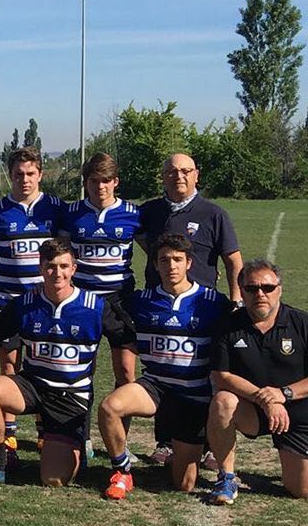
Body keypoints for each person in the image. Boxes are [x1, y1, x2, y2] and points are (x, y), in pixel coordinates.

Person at [0, 240, 123, 488]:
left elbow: (127, 339)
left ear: (74, 269)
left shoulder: (95, 306)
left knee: (53, 479)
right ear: (41, 268)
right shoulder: (25, 304)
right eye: (50, 266)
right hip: (33, 386)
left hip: (70, 396)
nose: (57, 273)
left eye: (64, 266)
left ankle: (75, 447)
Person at [96, 234, 231, 499]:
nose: (171, 266)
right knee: (110, 407)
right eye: (164, 260)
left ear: (189, 263)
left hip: (193, 395)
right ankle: (122, 471)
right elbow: (104, 311)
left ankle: (184, 453)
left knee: (185, 484)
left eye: (177, 259)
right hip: (155, 386)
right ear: (156, 265)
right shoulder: (141, 300)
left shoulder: (213, 302)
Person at [138, 152, 245, 466]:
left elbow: (233, 260)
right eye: (172, 171)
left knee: (205, 374)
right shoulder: (150, 211)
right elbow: (141, 241)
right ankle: (165, 442)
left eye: (186, 171)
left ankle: (211, 443)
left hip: (203, 309)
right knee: (163, 369)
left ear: (197, 174)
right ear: (163, 176)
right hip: (160, 306)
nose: (179, 177)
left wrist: (236, 301)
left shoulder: (213, 213)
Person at [205, 259, 308, 505]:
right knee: (223, 401)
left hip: (299, 414)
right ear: (241, 291)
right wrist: (266, 400)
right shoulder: (227, 326)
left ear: (279, 290)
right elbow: (221, 375)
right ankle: (226, 477)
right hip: (254, 410)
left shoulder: (302, 323)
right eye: (252, 288)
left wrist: (284, 394)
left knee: (300, 490)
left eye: (268, 288)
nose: (260, 294)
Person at [0, 147, 63, 463]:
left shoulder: (55, 208)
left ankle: (45, 433)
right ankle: (10, 437)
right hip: (7, 301)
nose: (25, 179)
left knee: (44, 367)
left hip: (45, 305)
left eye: (31, 173)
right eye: (19, 174)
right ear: (10, 175)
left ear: (40, 174)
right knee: (9, 368)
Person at [56, 153, 141, 387]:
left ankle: (122, 412)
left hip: (119, 298)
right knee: (79, 369)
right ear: (86, 182)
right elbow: (60, 253)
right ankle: (79, 411)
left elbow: (154, 253)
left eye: (106, 180)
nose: (100, 186)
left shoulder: (132, 214)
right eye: (94, 180)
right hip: (82, 297)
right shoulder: (72, 213)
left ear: (115, 181)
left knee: (125, 371)